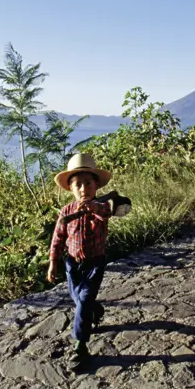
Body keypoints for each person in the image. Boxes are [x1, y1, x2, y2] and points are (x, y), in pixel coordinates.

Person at [48, 153, 114, 369]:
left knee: (83, 301)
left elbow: (105, 213)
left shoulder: (101, 208)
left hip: (94, 264)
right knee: (80, 301)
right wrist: (52, 263)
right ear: (71, 189)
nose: (84, 189)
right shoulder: (66, 212)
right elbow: (57, 239)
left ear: (96, 185)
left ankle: (80, 346)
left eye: (88, 183)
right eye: (78, 185)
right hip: (72, 264)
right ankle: (94, 311)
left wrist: (92, 208)